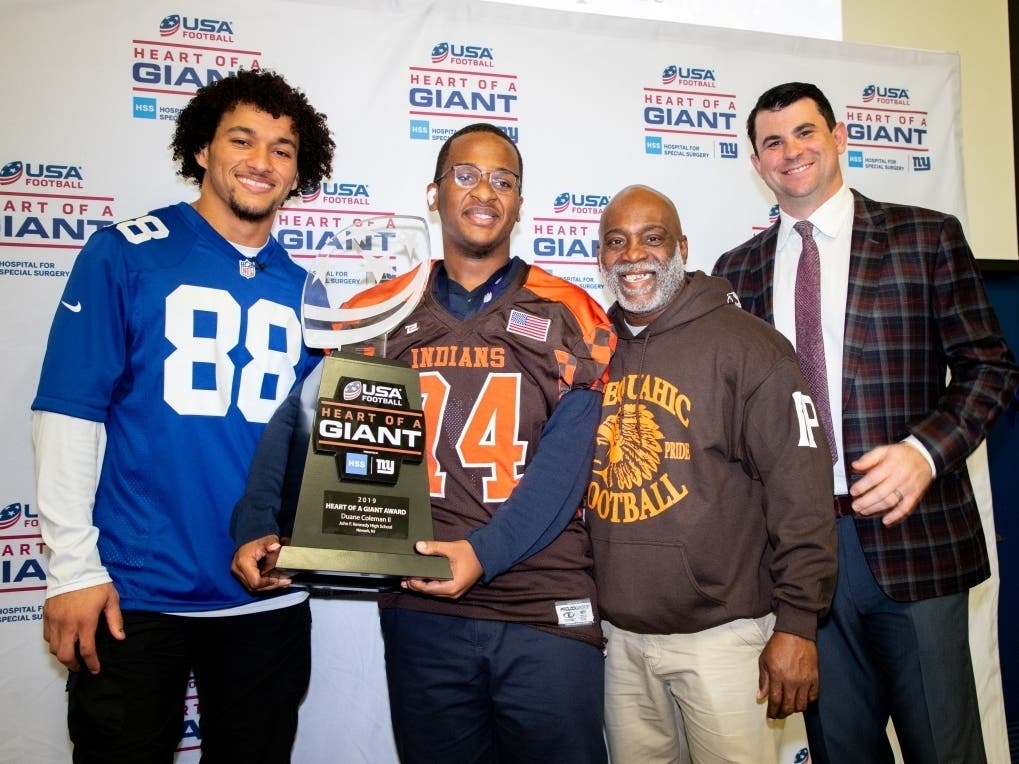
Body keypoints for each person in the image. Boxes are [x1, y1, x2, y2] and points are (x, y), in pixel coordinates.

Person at [230, 122, 615, 763]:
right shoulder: (377, 311)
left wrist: (483, 554)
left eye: (503, 180)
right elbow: (298, 420)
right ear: (434, 194)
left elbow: (565, 469)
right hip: (422, 602)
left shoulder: (570, 312)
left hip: (542, 603)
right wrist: (257, 522)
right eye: (466, 175)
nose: (485, 191)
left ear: (520, 203)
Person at [31, 68, 334, 763]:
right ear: (202, 148)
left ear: (298, 173)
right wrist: (72, 568)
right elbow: (69, 413)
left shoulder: (309, 292)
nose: (261, 161)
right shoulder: (125, 254)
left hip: (266, 594)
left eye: (282, 149)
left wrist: (301, 541)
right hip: (136, 591)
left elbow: (313, 450)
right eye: (242, 140)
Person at [713, 81, 1019, 763]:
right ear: (757, 164)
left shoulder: (924, 237)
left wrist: (923, 451)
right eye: (772, 142)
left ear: (839, 136)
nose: (790, 151)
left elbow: (990, 369)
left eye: (805, 132)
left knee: (944, 749)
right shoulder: (736, 272)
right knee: (840, 751)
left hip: (915, 541)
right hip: (802, 560)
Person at [585, 184, 837, 764]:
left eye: (652, 238)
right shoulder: (591, 351)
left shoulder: (750, 347)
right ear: (600, 257)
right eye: (616, 242)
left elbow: (802, 493)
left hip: (726, 640)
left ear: (682, 248)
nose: (633, 255)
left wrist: (797, 624)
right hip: (621, 642)